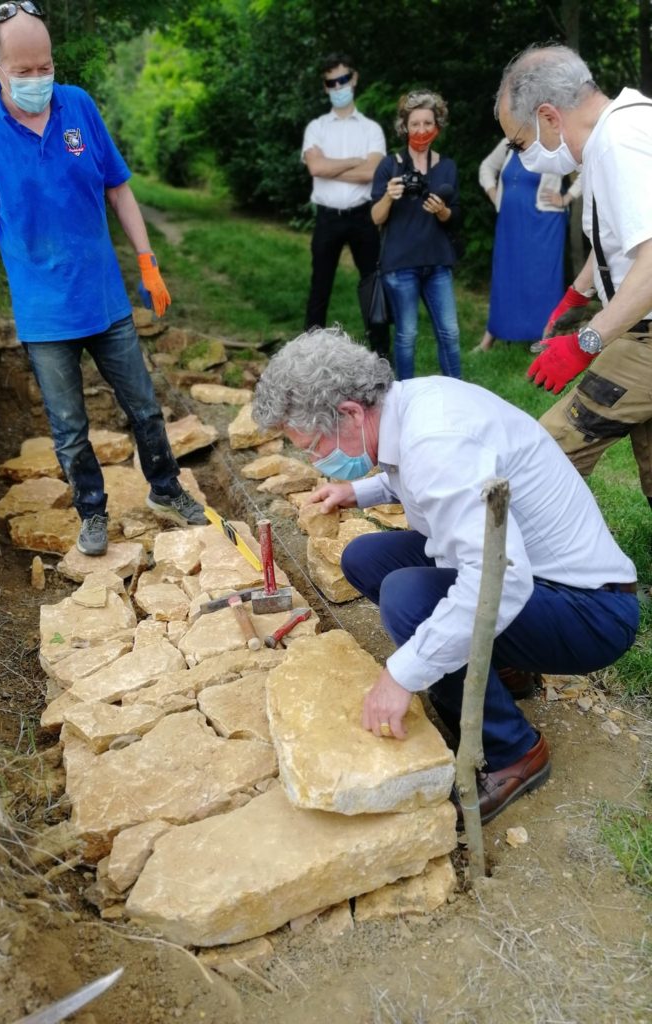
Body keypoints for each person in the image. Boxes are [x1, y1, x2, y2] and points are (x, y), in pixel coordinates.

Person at [252, 328, 638, 824]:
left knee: (408, 597)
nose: (315, 459)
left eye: (313, 445)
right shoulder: (410, 406)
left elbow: (501, 578)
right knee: (366, 558)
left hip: (590, 611)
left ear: (349, 411)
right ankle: (503, 664)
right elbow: (413, 476)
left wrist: (402, 674)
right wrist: (359, 493)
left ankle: (513, 751)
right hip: (541, 580)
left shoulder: (436, 440)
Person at [0, 1, 207, 558]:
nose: (38, 80)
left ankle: (167, 491)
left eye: (45, 67)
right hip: (43, 312)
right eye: (24, 70)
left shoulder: (77, 105)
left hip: (103, 297)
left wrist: (147, 260)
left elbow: (118, 187)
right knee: (70, 426)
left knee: (144, 406)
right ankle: (92, 512)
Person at [496, 44, 652, 515]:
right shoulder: (619, 129)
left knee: (548, 453)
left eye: (520, 143)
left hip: (645, 334)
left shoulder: (621, 141)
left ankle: (552, 573)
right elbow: (625, 234)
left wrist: (587, 341)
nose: (523, 158)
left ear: (548, 116)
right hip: (638, 321)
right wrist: (579, 291)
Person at [370, 90, 462, 381]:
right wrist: (389, 196)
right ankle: (405, 398)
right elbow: (376, 218)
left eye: (427, 123)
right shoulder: (390, 165)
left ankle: (457, 393)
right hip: (400, 265)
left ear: (437, 125)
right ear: (404, 127)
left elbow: (456, 216)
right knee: (406, 336)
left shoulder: (447, 166)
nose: (421, 130)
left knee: (450, 332)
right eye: (415, 124)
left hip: (438, 262)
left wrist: (442, 211)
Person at [302, 53, 390, 357]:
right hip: (327, 218)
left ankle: (379, 351)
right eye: (331, 82)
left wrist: (332, 166)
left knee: (372, 284)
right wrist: (355, 161)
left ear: (353, 79)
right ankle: (310, 351)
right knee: (320, 284)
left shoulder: (371, 129)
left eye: (343, 79)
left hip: (362, 217)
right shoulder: (316, 127)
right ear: (325, 87)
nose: (338, 86)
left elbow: (373, 172)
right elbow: (316, 169)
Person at [474, 136, 581, 352]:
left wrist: (567, 197)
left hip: (545, 224)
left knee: (542, 280)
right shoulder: (510, 142)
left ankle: (544, 340)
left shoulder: (555, 142)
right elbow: (486, 167)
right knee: (506, 277)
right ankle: (492, 334)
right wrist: (494, 194)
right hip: (510, 222)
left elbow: (588, 169)